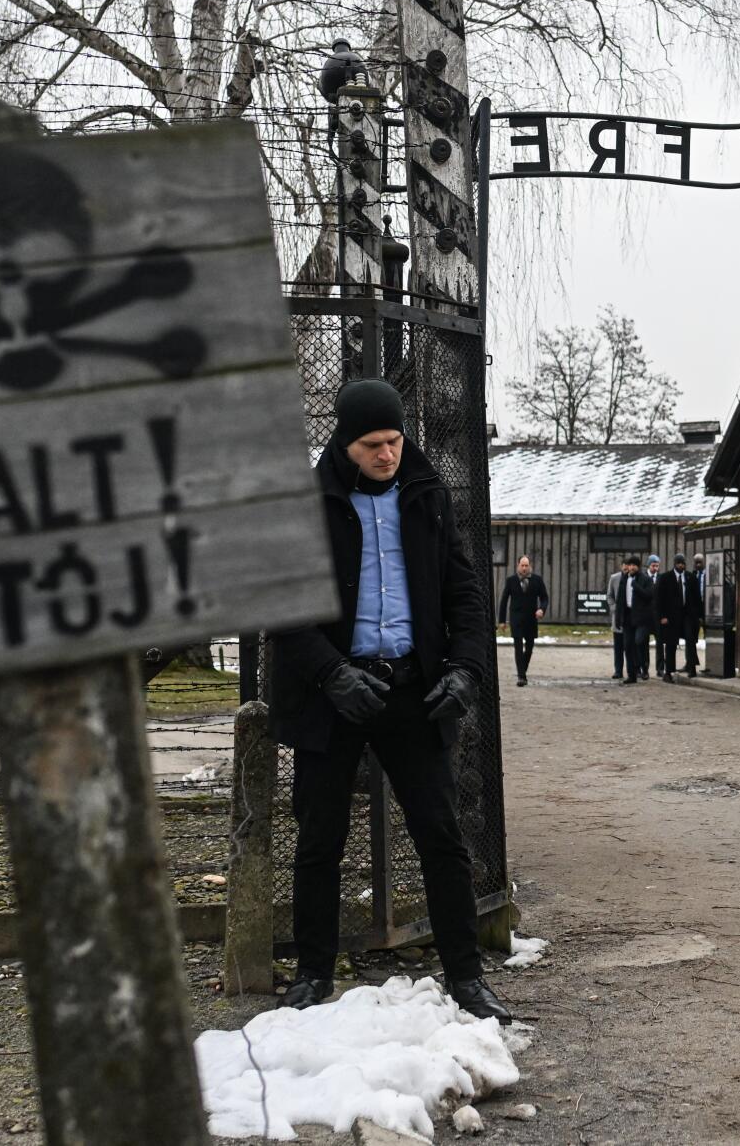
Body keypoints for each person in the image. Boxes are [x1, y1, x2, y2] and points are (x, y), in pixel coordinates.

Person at [267, 378, 511, 1022]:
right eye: (373, 444)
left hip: (413, 691)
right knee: (320, 839)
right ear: (345, 445)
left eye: (395, 441)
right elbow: (286, 609)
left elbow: (465, 594)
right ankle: (313, 973)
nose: (388, 454)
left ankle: (466, 977)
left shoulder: (427, 496)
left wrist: (465, 670)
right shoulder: (307, 505)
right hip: (334, 692)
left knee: (442, 834)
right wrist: (330, 674)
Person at [498, 555, 549, 688]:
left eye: (527, 565)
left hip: (531, 619)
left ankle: (522, 670)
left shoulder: (537, 580)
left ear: (530, 566)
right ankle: (521, 676)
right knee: (518, 647)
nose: (525, 568)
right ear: (518, 565)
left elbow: (544, 598)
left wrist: (542, 610)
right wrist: (502, 620)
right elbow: (504, 601)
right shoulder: (511, 581)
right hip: (516, 619)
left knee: (530, 647)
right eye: (522, 565)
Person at [612, 553, 656, 683]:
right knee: (627, 646)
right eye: (629, 565)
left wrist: (636, 587)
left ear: (638, 567)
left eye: (634, 565)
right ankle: (632, 675)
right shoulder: (624, 579)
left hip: (642, 617)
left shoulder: (645, 579)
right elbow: (620, 599)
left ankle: (643, 668)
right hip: (627, 616)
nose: (631, 568)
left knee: (639, 642)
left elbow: (649, 595)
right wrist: (619, 618)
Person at [654, 553, 687, 681]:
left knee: (689, 641)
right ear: (674, 564)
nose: (681, 565)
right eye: (679, 563)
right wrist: (662, 616)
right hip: (669, 617)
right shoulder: (665, 577)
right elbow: (658, 598)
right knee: (670, 645)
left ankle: (690, 667)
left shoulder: (688, 577)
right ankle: (668, 672)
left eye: (683, 563)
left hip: (684, 616)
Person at [682, 553, 707, 677]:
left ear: (704, 562)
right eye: (696, 562)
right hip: (693, 611)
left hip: (707, 608)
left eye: (700, 562)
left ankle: (709, 665)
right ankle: (690, 664)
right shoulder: (691, 576)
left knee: (709, 637)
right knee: (690, 639)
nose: (697, 565)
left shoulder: (708, 575)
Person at [605, 557, 629, 680]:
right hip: (618, 618)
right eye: (624, 567)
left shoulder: (633, 578)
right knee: (618, 647)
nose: (626, 569)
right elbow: (609, 595)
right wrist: (614, 608)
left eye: (628, 567)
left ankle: (634, 670)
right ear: (621, 567)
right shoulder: (614, 578)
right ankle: (618, 670)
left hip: (630, 618)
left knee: (630, 647)